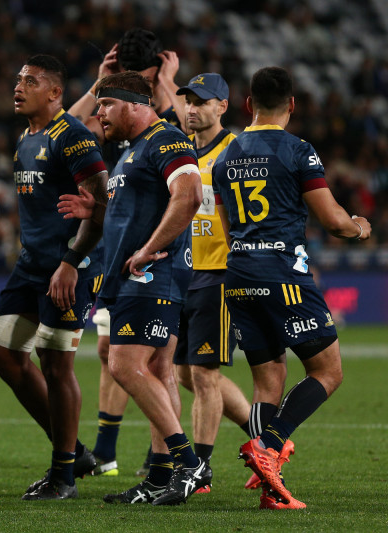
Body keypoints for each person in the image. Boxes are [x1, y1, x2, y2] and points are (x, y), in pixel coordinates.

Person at [213, 66, 371, 510]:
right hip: (281, 272)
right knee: (328, 371)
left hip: (239, 273)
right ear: (292, 105)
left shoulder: (226, 154)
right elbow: (334, 222)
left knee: (268, 381)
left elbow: (228, 230)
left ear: (248, 104)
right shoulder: (298, 150)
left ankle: (271, 489)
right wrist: (359, 228)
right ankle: (270, 445)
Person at [58, 71, 208, 506]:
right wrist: (99, 206)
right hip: (136, 276)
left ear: (135, 104)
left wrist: (148, 250)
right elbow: (140, 207)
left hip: (149, 276)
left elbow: (190, 195)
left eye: (106, 105)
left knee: (123, 365)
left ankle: (188, 461)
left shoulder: (168, 140)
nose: (99, 113)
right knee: (159, 373)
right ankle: (162, 478)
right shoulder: (134, 151)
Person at [0, 54, 108, 501]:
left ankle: (64, 476)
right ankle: (73, 451)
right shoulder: (28, 137)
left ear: (54, 93)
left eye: (31, 81)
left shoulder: (74, 138)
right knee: (4, 355)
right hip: (31, 265)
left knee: (56, 365)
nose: (18, 87)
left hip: (68, 266)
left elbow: (101, 207)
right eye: (18, 79)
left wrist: (71, 262)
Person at [67, 29, 184, 477]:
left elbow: (182, 145)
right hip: (118, 254)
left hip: (158, 259)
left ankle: (171, 463)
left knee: (151, 362)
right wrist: (100, 84)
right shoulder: (117, 119)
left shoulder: (159, 125)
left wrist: (168, 81)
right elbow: (71, 131)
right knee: (123, 358)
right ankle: (148, 460)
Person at [171, 73, 253, 492]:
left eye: (201, 101)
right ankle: (267, 439)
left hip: (219, 272)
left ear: (223, 106)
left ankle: (198, 469)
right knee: (186, 375)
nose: (191, 108)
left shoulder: (234, 150)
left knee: (203, 374)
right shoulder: (181, 150)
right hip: (184, 272)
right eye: (187, 100)